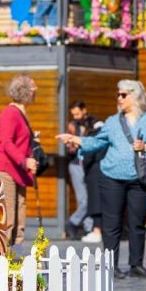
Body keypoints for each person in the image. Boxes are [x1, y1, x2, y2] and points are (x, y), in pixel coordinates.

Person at [58, 80, 146, 280]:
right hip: (111, 178)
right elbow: (97, 141)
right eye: (118, 94)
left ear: (135, 96)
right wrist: (77, 140)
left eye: (123, 95)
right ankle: (111, 265)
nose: (119, 98)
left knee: (137, 224)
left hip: (140, 179)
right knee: (111, 224)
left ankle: (136, 265)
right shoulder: (112, 121)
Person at [0, 75, 39, 248]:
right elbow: (6, 143)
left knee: (20, 212)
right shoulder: (10, 113)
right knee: (10, 214)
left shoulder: (21, 113)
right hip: (7, 168)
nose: (36, 91)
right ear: (25, 91)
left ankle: (16, 252)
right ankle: (4, 254)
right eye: (33, 88)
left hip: (19, 170)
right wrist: (24, 161)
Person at [64, 101, 98, 239]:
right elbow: (69, 148)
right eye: (73, 114)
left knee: (91, 198)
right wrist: (73, 144)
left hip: (89, 165)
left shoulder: (94, 123)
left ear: (84, 110)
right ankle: (85, 227)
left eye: (77, 113)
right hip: (76, 165)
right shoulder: (72, 125)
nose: (75, 117)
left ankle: (76, 223)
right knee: (83, 199)